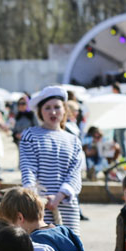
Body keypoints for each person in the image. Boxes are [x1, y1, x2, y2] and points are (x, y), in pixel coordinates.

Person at [19, 85, 84, 234]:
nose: (53, 112)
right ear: (40, 112)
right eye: (47, 108)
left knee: (69, 250)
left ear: (65, 109)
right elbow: (28, 168)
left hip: (67, 207)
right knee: (39, 250)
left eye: (57, 107)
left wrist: (59, 196)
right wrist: (35, 196)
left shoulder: (73, 140)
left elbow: (75, 174)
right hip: (38, 206)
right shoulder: (30, 135)